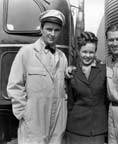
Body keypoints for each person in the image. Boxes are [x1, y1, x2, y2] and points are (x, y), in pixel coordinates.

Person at [7, 9, 68, 144]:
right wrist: (24, 113)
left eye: (56, 30)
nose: (52, 34)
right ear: (41, 29)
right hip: (33, 122)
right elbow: (14, 86)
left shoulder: (62, 57)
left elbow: (64, 88)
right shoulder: (26, 52)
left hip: (57, 122)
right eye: (49, 29)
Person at [65, 31, 108, 144]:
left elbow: (107, 98)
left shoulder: (103, 70)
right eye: (84, 52)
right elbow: (70, 102)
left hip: (98, 128)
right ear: (78, 51)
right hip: (75, 128)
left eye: (91, 52)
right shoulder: (72, 72)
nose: (88, 56)